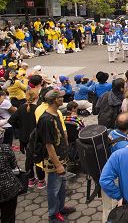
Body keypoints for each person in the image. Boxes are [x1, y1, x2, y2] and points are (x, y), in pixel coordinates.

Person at [37, 89, 76, 223]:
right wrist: (58, 165)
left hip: (61, 157)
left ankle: (61, 206)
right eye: (60, 97)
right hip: (54, 161)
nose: (62, 99)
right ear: (54, 100)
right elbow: (48, 145)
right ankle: (53, 214)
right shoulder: (46, 120)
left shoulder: (56, 114)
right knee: (53, 188)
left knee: (62, 185)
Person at [0, 144, 23, 223]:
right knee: (8, 216)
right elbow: (13, 166)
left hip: (8, 189)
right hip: (8, 188)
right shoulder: (5, 149)